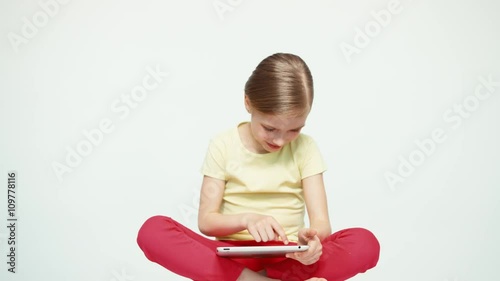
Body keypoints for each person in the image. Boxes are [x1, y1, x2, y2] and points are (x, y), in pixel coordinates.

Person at [137, 53, 380, 281]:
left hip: (288, 256)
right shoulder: (223, 144)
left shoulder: (306, 148)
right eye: (270, 128)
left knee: (365, 243)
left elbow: (321, 222)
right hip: (231, 256)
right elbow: (207, 222)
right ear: (248, 102)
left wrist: (312, 240)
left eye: (294, 130)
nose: (280, 141)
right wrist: (247, 220)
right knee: (153, 231)